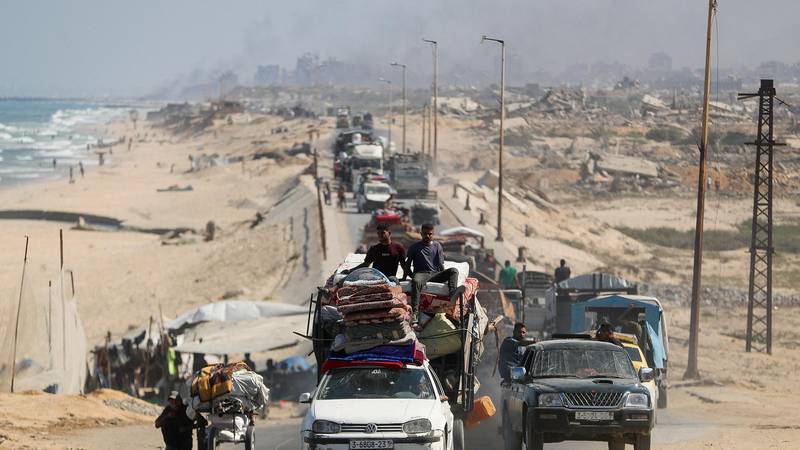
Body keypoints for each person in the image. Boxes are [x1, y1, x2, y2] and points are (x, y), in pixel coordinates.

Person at [404, 223, 465, 326]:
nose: (427, 236)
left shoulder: (437, 246)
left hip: (434, 274)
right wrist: (410, 276)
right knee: (416, 281)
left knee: (454, 271)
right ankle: (415, 313)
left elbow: (441, 265)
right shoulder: (414, 247)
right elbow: (407, 265)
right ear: (421, 234)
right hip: (421, 274)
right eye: (425, 234)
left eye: (430, 234)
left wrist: (445, 276)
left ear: (433, 234)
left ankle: (452, 295)